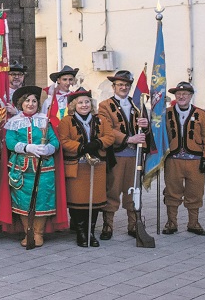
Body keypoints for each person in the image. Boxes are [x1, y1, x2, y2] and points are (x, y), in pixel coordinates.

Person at [4, 85, 59, 247]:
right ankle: (28, 231)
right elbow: (10, 142)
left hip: (44, 167)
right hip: (21, 167)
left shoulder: (45, 121)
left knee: (42, 199)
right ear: (21, 103)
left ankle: (38, 233)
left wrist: (48, 148)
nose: (31, 104)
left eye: (34, 101)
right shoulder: (13, 122)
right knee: (23, 201)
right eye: (27, 100)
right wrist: (28, 147)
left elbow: (54, 141)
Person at [58, 88, 114, 247]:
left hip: (97, 166)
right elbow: (63, 140)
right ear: (74, 105)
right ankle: (81, 232)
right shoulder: (66, 121)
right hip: (77, 166)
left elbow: (109, 136)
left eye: (87, 102)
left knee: (94, 200)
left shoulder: (101, 119)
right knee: (78, 201)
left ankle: (90, 231)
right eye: (80, 102)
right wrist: (81, 147)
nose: (84, 105)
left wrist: (98, 143)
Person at [97, 69, 149, 240]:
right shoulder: (105, 105)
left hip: (135, 156)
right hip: (116, 155)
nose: (123, 87)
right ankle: (108, 225)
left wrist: (145, 124)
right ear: (114, 86)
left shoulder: (137, 106)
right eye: (120, 84)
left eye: (126, 85)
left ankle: (133, 224)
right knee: (112, 190)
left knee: (132, 190)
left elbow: (144, 130)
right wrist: (128, 138)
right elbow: (106, 129)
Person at [163, 81, 205, 236]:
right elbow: (159, 136)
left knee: (195, 192)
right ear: (175, 96)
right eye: (179, 94)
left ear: (191, 96)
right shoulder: (166, 113)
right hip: (173, 159)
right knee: (172, 192)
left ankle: (193, 223)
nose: (182, 96)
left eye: (185, 94)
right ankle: (171, 223)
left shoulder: (201, 114)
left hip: (196, 160)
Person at [0, 60, 27, 126]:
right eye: (13, 74)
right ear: (7, 76)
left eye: (20, 74)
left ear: (23, 77)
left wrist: (16, 112)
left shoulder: (28, 95)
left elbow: (33, 117)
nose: (16, 77)